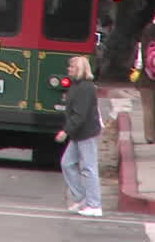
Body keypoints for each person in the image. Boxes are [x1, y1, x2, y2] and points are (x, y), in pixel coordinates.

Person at [56, 55, 102, 217]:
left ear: (80, 69)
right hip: (78, 133)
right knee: (67, 163)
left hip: (86, 132)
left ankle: (94, 204)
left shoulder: (85, 87)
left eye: (72, 67)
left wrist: (65, 131)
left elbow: (80, 114)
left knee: (88, 168)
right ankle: (82, 198)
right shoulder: (76, 85)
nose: (68, 69)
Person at [135, 22, 155, 144]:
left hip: (145, 80)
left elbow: (137, 64)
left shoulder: (141, 46)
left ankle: (149, 136)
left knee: (148, 108)